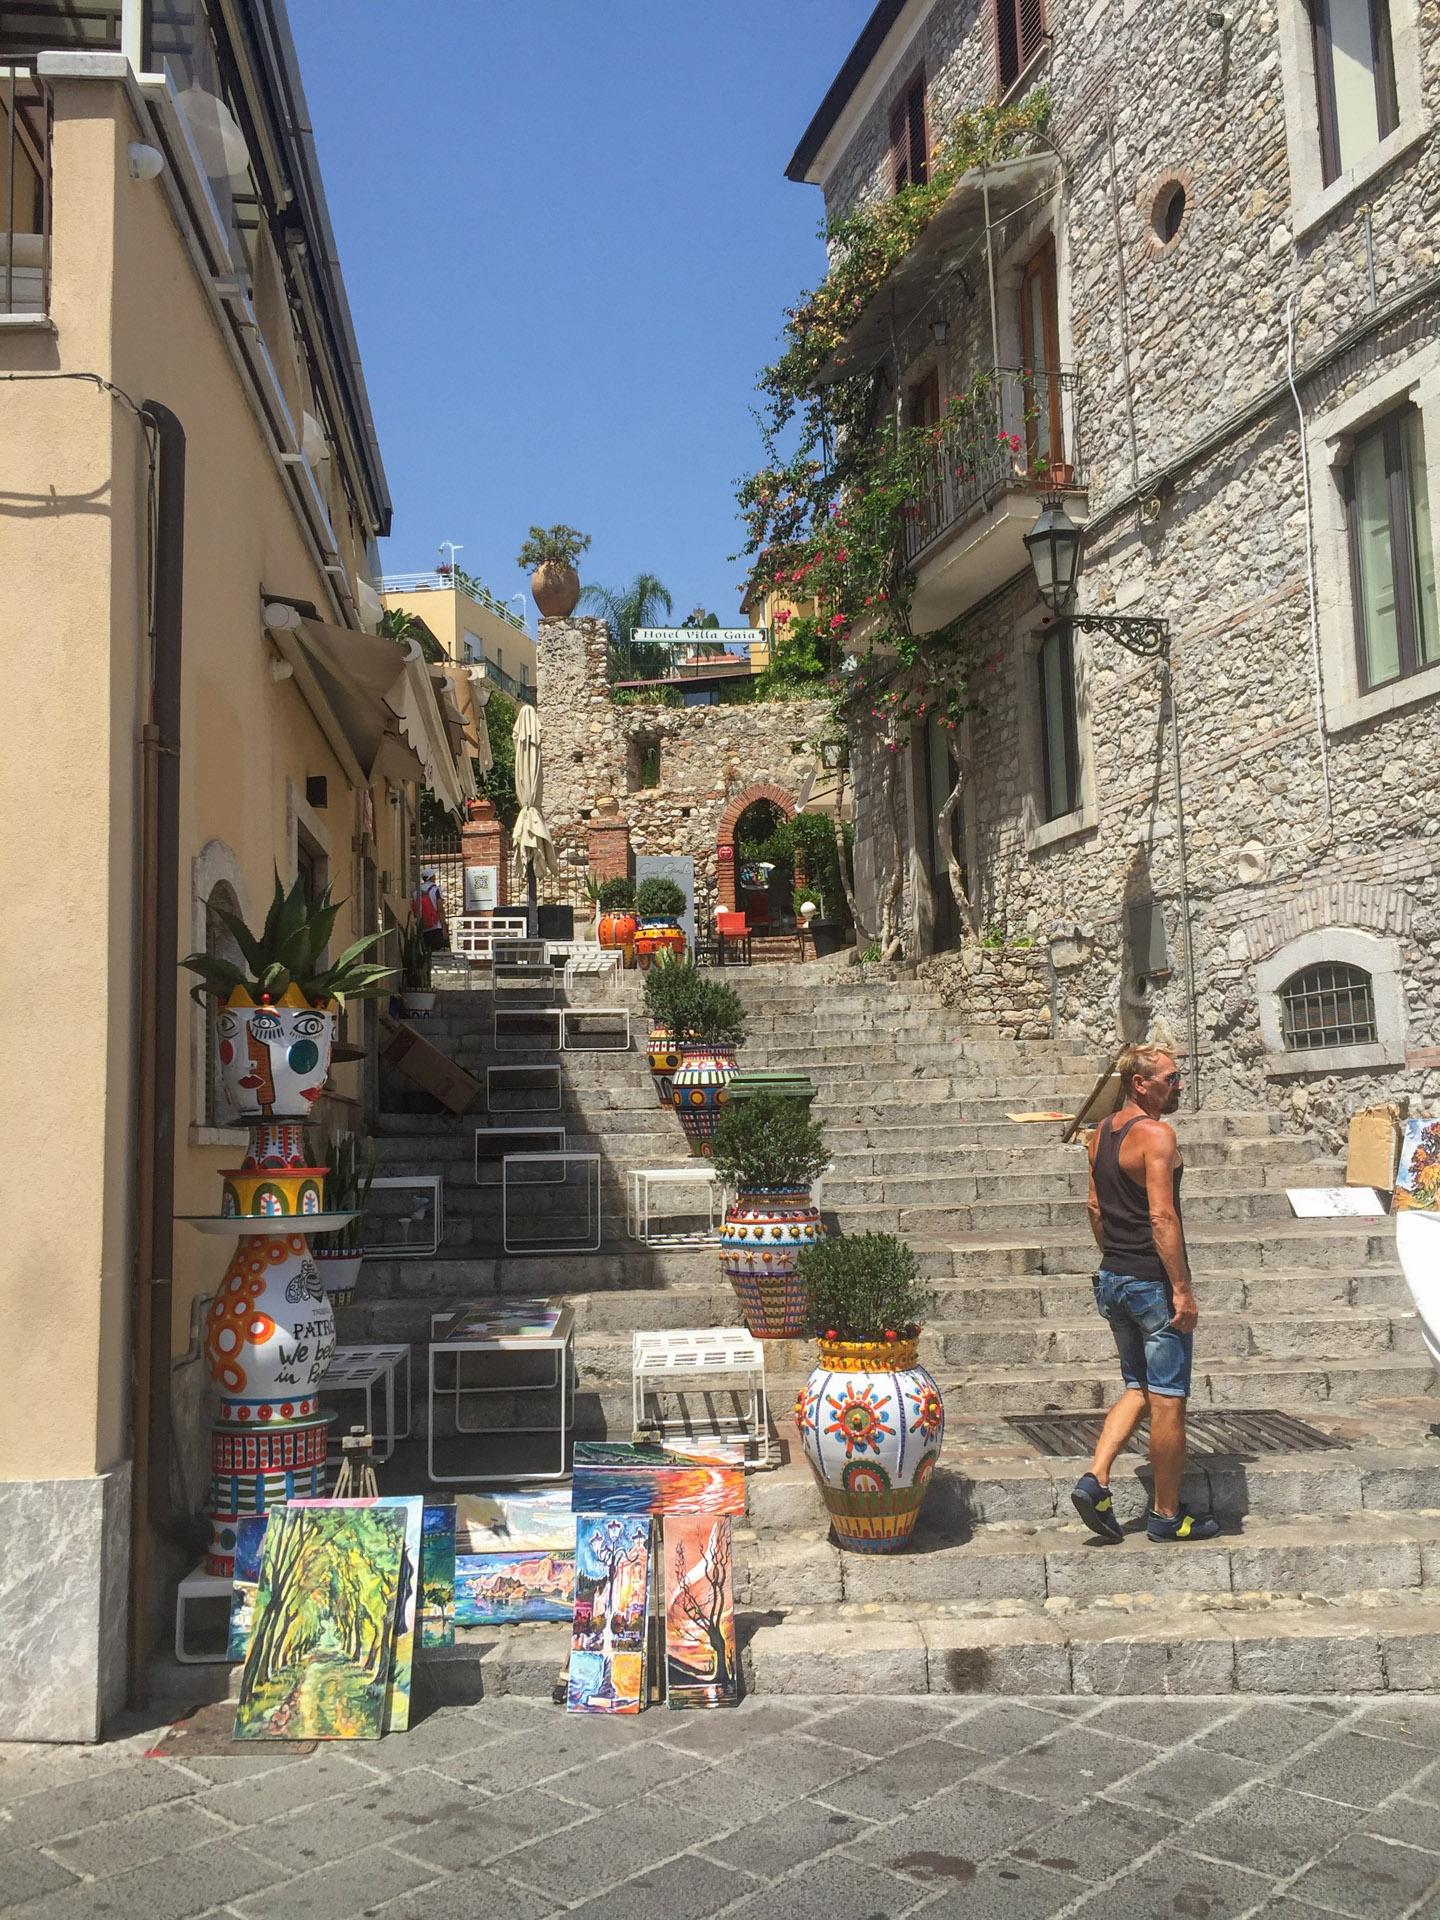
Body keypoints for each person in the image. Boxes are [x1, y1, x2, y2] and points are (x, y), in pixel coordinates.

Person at [1071, 1043, 1220, 1544]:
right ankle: (1165, 1514)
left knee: (1138, 1387)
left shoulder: (1099, 1135)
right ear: (1141, 1083)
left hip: (1113, 1277)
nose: (1179, 1086)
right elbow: (1161, 1215)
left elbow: (1094, 1206)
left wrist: (1115, 1257)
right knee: (1169, 1400)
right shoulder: (1156, 1135)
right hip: (1151, 1284)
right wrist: (1181, 1289)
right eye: (1171, 1079)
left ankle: (1096, 1479)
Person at [416, 869, 448, 952]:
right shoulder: (436, 889)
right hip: (435, 925)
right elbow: (440, 909)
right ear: (432, 877)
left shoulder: (416, 891)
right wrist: (444, 928)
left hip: (423, 925)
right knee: (438, 952)